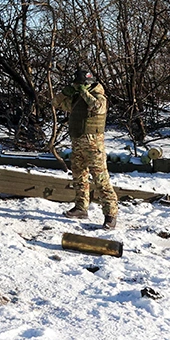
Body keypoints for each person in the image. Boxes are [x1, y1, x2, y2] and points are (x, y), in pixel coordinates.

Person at [53, 68, 119, 229]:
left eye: (79, 85)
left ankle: (110, 214)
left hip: (93, 147)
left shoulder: (99, 97)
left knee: (101, 180)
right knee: (79, 176)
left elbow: (97, 107)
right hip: (78, 144)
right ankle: (81, 207)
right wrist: (65, 92)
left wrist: (83, 92)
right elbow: (56, 103)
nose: (77, 87)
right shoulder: (77, 98)